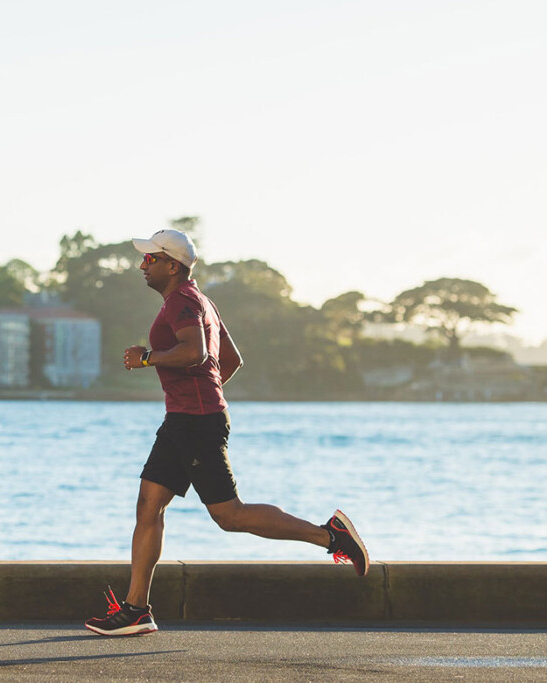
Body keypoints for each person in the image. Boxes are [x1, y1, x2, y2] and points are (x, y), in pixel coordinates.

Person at [84, 229, 368, 637]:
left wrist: (148, 358)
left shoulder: (183, 301)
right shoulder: (201, 301)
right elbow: (229, 359)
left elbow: (197, 352)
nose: (143, 265)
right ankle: (136, 610)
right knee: (149, 506)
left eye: (151, 259)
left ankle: (330, 536)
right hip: (185, 419)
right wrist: (202, 393)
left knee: (229, 515)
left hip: (195, 423)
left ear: (172, 265)